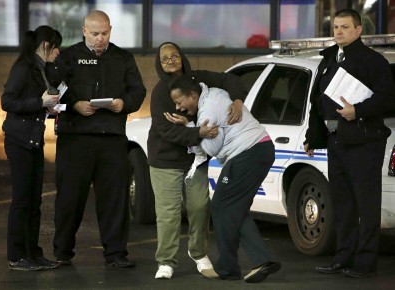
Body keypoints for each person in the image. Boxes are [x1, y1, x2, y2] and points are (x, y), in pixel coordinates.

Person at [304, 9, 395, 278]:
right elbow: (317, 103)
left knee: (366, 206)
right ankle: (343, 258)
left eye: (345, 27)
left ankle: (365, 263)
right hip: (337, 141)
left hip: (365, 141)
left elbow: (389, 99)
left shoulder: (373, 61)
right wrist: (313, 136)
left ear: (358, 30)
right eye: (335, 28)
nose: (339, 32)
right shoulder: (328, 59)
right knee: (342, 204)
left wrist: (359, 110)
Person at [166, 75, 281, 283]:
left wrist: (192, 132)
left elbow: (212, 148)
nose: (179, 107)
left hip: (247, 153)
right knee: (234, 208)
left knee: (220, 206)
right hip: (260, 149)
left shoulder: (207, 112)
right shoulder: (214, 93)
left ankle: (234, 266)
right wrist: (195, 128)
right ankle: (253, 262)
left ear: (192, 95)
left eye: (179, 101)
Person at [53, 10, 146, 267]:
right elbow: (54, 90)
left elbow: (138, 90)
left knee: (114, 199)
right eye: (94, 33)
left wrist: (123, 103)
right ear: (84, 31)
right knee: (70, 198)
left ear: (110, 31)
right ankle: (62, 253)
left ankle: (116, 254)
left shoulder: (123, 58)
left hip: (112, 137)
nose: (100, 39)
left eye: (104, 33)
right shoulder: (69, 57)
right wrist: (75, 105)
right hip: (75, 138)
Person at [148, 42, 246, 279]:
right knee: (169, 213)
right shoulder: (160, 92)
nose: (170, 60)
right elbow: (165, 130)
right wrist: (197, 134)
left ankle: (199, 254)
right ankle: (166, 261)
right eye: (165, 58)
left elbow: (230, 80)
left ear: (181, 56)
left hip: (195, 159)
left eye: (174, 56)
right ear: (159, 64)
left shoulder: (197, 79)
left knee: (200, 207)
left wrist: (238, 101)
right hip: (164, 160)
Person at [1, 25, 62, 271]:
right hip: (19, 140)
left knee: (34, 201)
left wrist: (47, 108)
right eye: (56, 47)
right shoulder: (24, 67)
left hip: (33, 139)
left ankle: (33, 253)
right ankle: (17, 255)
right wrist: (40, 101)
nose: (59, 53)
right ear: (46, 45)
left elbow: (33, 104)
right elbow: (8, 101)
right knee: (22, 200)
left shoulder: (40, 68)